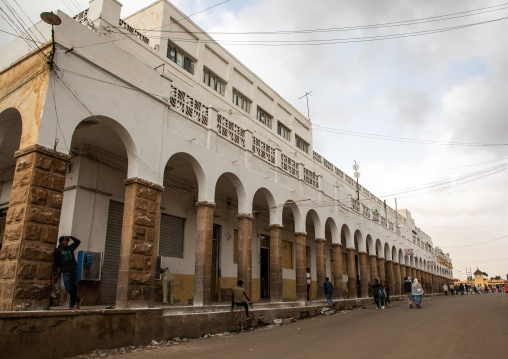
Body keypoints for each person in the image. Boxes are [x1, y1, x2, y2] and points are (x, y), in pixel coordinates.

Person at [53, 236, 81, 310]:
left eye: (68, 241)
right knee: (69, 288)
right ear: (61, 242)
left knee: (74, 288)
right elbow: (55, 262)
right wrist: (55, 273)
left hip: (74, 271)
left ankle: (72, 306)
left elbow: (78, 242)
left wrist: (71, 237)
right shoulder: (58, 251)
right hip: (66, 272)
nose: (67, 243)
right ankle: (78, 300)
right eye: (65, 241)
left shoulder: (70, 248)